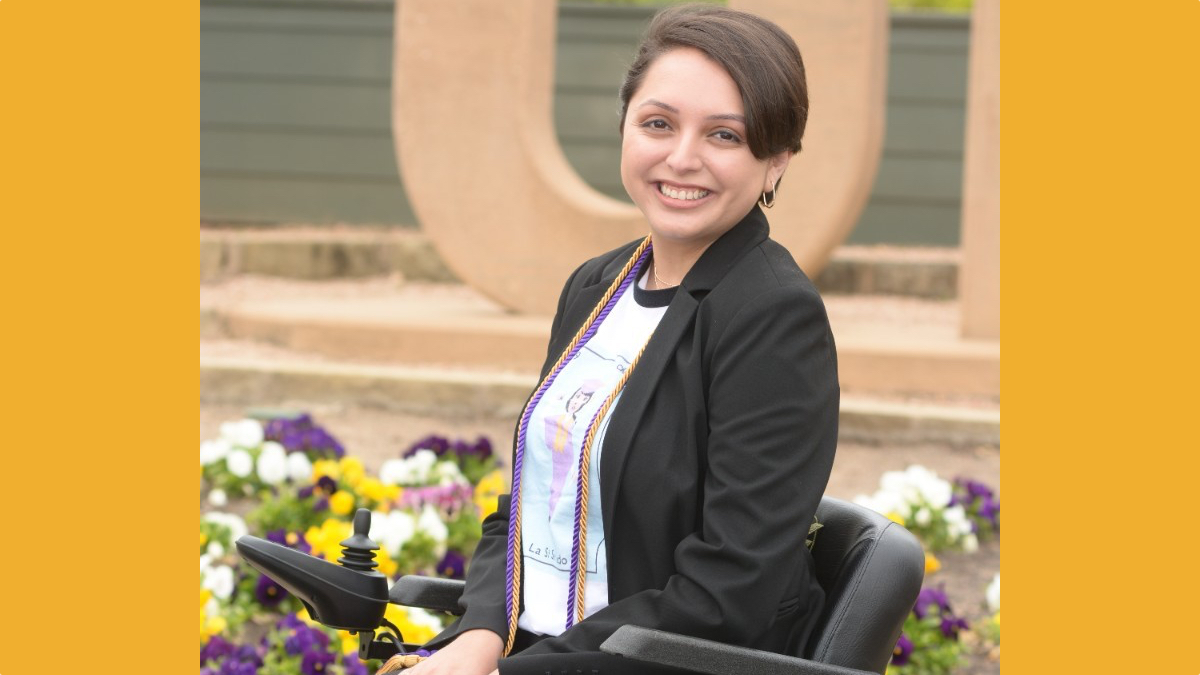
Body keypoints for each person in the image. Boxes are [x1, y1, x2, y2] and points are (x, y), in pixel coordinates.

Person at [382, 5, 839, 675]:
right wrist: (479, 636)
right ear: (625, 127)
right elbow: (530, 503)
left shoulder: (772, 316)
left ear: (776, 162)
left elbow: (729, 588)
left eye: (724, 135)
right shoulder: (597, 285)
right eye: (658, 123)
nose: (682, 157)